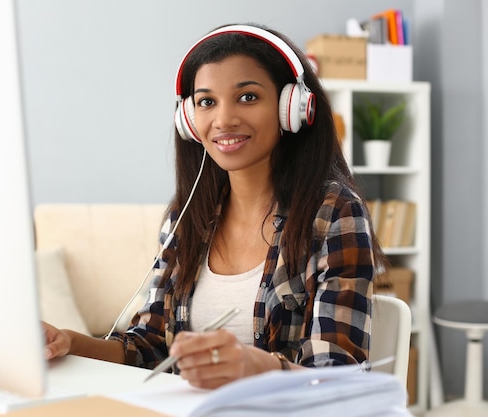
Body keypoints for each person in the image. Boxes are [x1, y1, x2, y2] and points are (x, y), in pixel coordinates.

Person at [43, 22, 387, 390]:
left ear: (293, 108)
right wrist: (69, 342)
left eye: (248, 97)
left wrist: (257, 367)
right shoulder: (186, 216)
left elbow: (338, 377)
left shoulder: (333, 212)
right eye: (207, 101)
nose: (224, 120)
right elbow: (149, 346)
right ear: (189, 120)